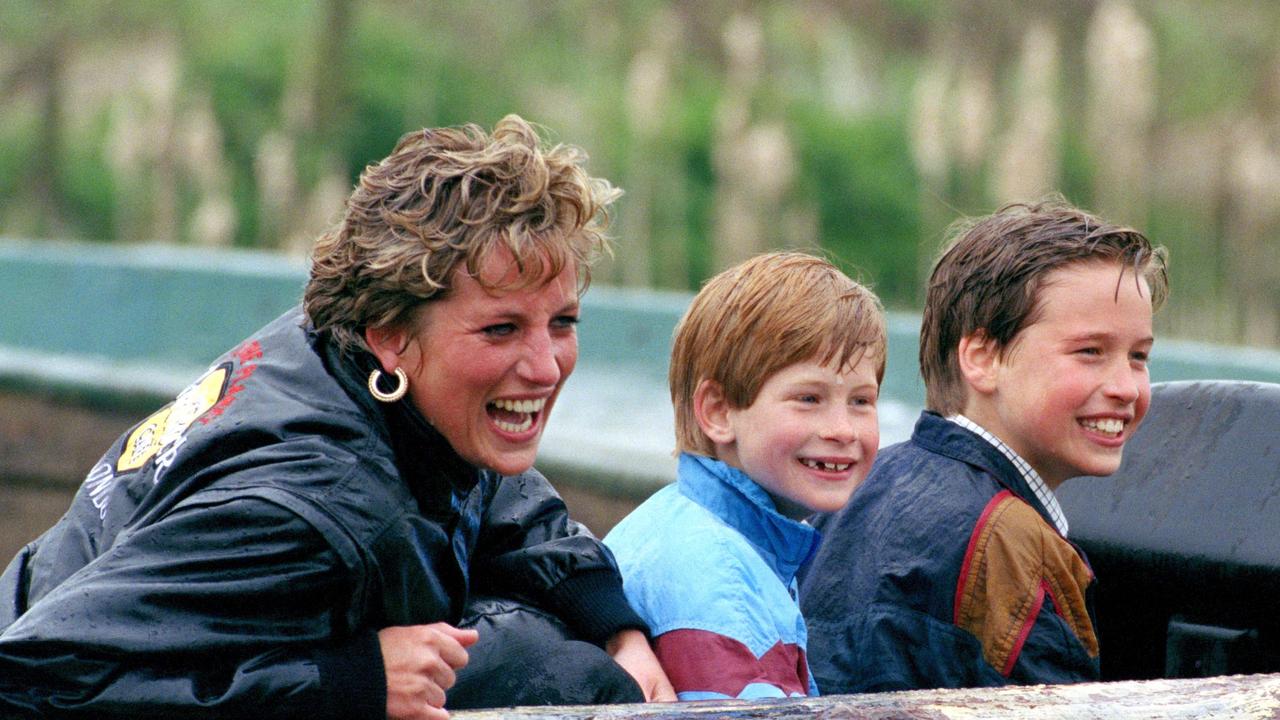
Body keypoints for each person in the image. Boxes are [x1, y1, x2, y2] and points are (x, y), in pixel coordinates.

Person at [0, 115, 675, 719]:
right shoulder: (310, 508)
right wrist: (349, 683)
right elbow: (27, 681)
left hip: (90, 606)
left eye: (562, 322)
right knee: (562, 675)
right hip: (57, 660)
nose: (545, 365)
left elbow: (491, 487)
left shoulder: (346, 354)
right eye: (500, 330)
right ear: (391, 334)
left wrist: (615, 622)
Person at [799, 197, 1169, 693]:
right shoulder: (1016, 547)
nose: (1126, 387)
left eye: (1139, 356)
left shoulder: (856, 488)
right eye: (1090, 352)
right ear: (982, 358)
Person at [604, 251, 887, 700]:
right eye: (808, 398)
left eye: (861, 401)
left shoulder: (689, 522)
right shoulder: (721, 588)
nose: (842, 430)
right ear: (718, 412)